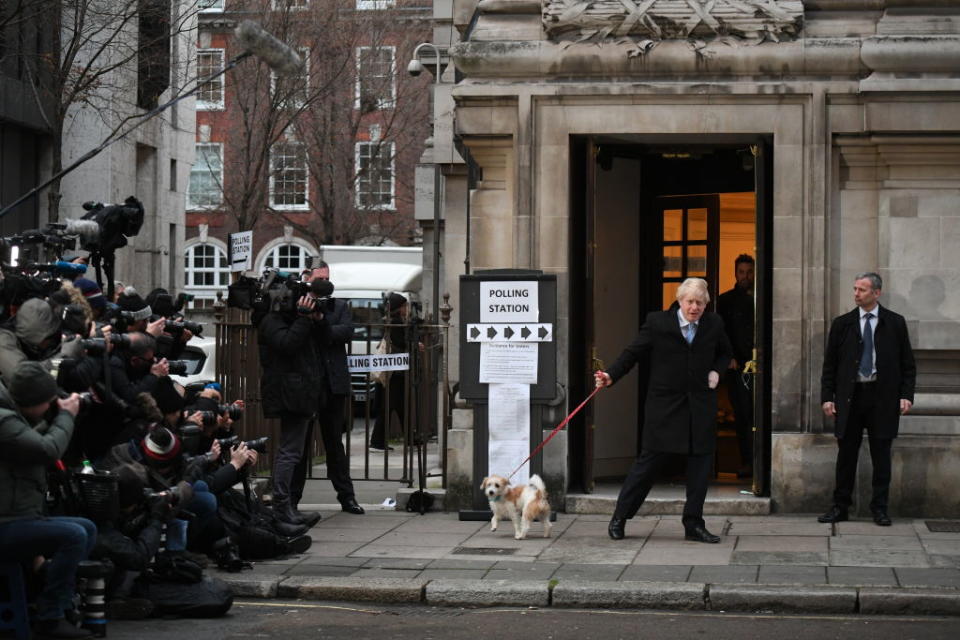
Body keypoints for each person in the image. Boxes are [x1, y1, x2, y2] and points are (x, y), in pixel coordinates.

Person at [595, 278, 733, 543]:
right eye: (690, 302)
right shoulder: (658, 323)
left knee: (700, 467)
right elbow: (633, 352)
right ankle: (620, 517)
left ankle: (693, 524)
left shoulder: (714, 323)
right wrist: (611, 375)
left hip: (700, 406)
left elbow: (726, 353)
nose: (695, 308)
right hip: (665, 406)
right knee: (647, 465)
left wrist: (717, 371)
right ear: (680, 301)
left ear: (706, 304)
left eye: (700, 303)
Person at [0, 362, 95, 639]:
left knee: (86, 528)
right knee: (74, 535)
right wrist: (65, 416)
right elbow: (47, 449)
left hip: (15, 517)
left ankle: (51, 594)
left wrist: (53, 417)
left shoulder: (11, 418)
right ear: (33, 402)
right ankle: (50, 618)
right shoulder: (4, 421)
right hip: (5, 523)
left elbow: (28, 439)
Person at [818, 272, 915, 526]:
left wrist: (906, 395)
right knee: (846, 455)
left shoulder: (894, 323)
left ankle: (880, 508)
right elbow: (830, 365)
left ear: (876, 293)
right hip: (850, 397)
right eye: (855, 289)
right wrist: (827, 397)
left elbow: (908, 365)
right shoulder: (843, 324)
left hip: (882, 397)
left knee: (881, 455)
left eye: (862, 290)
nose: (856, 294)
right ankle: (840, 507)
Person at [296, 264, 364, 515]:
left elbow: (345, 332)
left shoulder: (339, 306)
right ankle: (292, 499)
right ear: (308, 280)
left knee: (334, 443)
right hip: (308, 383)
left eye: (326, 278)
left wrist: (321, 323)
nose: (324, 283)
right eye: (319, 279)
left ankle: (347, 497)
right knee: (300, 445)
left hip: (333, 385)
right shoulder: (300, 304)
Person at [257, 285, 324, 526]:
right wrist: (305, 319)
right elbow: (287, 344)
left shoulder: (295, 320)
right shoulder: (272, 321)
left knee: (292, 452)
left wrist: (314, 319)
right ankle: (281, 506)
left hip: (299, 392)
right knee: (289, 452)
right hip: (290, 394)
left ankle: (285, 506)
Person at [717, 254, 755, 478]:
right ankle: (747, 462)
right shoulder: (725, 300)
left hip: (759, 366)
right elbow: (720, 333)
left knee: (761, 416)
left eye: (749, 272)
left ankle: (762, 464)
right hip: (737, 366)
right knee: (742, 415)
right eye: (741, 272)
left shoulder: (762, 297)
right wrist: (728, 356)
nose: (745, 277)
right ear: (735, 273)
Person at [370, 293, 409, 451]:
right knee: (389, 406)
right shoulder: (397, 323)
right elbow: (400, 342)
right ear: (399, 308)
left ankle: (410, 437)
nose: (407, 309)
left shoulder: (388, 321)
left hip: (392, 369)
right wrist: (413, 341)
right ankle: (377, 441)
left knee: (398, 405)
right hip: (394, 371)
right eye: (405, 306)